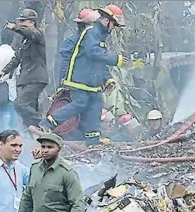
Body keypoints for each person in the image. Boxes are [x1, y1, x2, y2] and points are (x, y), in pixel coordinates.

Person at [38, 4, 128, 146]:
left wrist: (107, 79)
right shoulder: (92, 32)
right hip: (80, 80)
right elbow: (94, 53)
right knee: (80, 103)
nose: (114, 28)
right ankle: (48, 123)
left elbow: (99, 63)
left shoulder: (100, 36)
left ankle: (92, 140)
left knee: (96, 105)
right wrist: (116, 59)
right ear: (106, 20)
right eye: (114, 24)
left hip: (92, 83)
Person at [0, 9, 47, 127]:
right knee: (29, 110)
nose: (20, 24)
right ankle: (35, 133)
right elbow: (17, 58)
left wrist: (14, 27)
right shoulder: (25, 40)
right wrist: (4, 71)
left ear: (32, 22)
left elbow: (30, 33)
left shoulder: (38, 34)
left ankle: (44, 124)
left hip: (36, 78)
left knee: (20, 104)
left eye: (23, 21)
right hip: (27, 79)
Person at [58, 8, 101, 83]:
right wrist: (63, 83)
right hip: (76, 86)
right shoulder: (71, 41)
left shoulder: (96, 42)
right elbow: (65, 64)